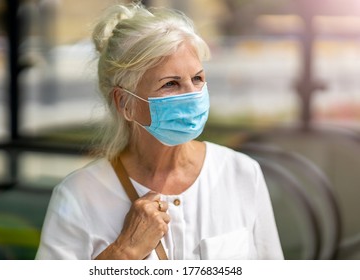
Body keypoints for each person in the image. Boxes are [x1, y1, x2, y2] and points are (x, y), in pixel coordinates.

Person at [35, 2, 284, 260]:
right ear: (125, 103)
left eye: (197, 78)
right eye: (171, 84)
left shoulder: (241, 173)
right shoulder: (79, 196)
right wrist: (124, 251)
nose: (192, 94)